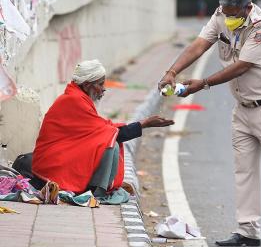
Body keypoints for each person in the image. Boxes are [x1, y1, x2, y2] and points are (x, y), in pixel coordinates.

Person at [159, 0, 261, 247]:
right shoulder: (220, 14)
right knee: (243, 170)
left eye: (234, 13)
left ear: (247, 8)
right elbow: (200, 44)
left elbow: (242, 66)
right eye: (225, 12)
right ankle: (247, 230)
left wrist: (204, 83)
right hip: (242, 107)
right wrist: (172, 71)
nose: (228, 18)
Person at [31, 59, 173, 201]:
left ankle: (95, 188)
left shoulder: (78, 97)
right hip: (51, 164)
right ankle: (97, 191)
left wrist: (142, 124)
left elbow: (102, 128)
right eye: (100, 84)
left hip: (61, 156)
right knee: (111, 145)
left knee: (108, 139)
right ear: (87, 85)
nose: (104, 88)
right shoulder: (73, 101)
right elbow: (110, 133)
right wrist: (144, 124)